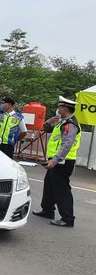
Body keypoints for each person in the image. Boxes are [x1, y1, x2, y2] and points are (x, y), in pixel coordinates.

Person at [33, 96, 81, 227]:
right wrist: (48, 121)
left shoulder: (70, 124)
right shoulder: (62, 122)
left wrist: (54, 161)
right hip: (56, 160)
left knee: (62, 189)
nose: (57, 109)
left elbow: (66, 144)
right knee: (49, 185)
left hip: (63, 161)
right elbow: (46, 129)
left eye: (59, 107)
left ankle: (67, 218)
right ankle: (48, 210)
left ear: (65, 108)